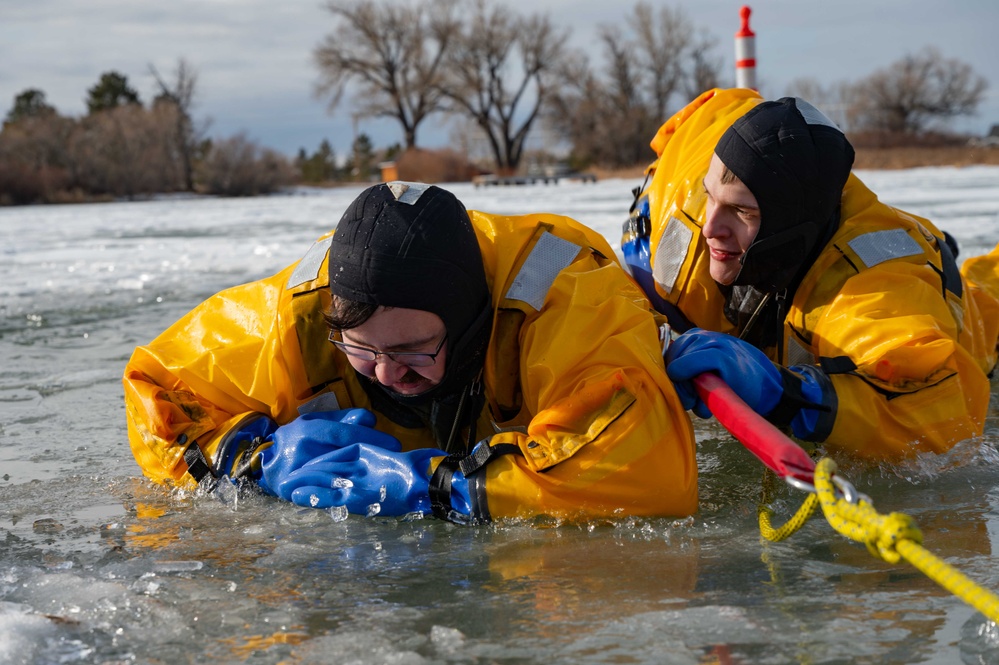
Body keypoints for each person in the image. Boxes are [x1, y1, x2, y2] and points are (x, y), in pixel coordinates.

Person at [124, 181, 697, 523]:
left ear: (470, 321)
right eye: (360, 350)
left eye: (414, 349)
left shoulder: (564, 299)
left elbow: (644, 473)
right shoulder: (295, 318)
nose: (385, 373)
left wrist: (441, 486)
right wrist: (251, 462)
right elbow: (155, 391)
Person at [622, 87, 999, 461]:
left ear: (791, 226)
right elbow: (710, 110)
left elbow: (936, 417)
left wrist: (786, 395)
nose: (709, 228)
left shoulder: (875, 289)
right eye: (711, 197)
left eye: (741, 211)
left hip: (952, 310)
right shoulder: (703, 174)